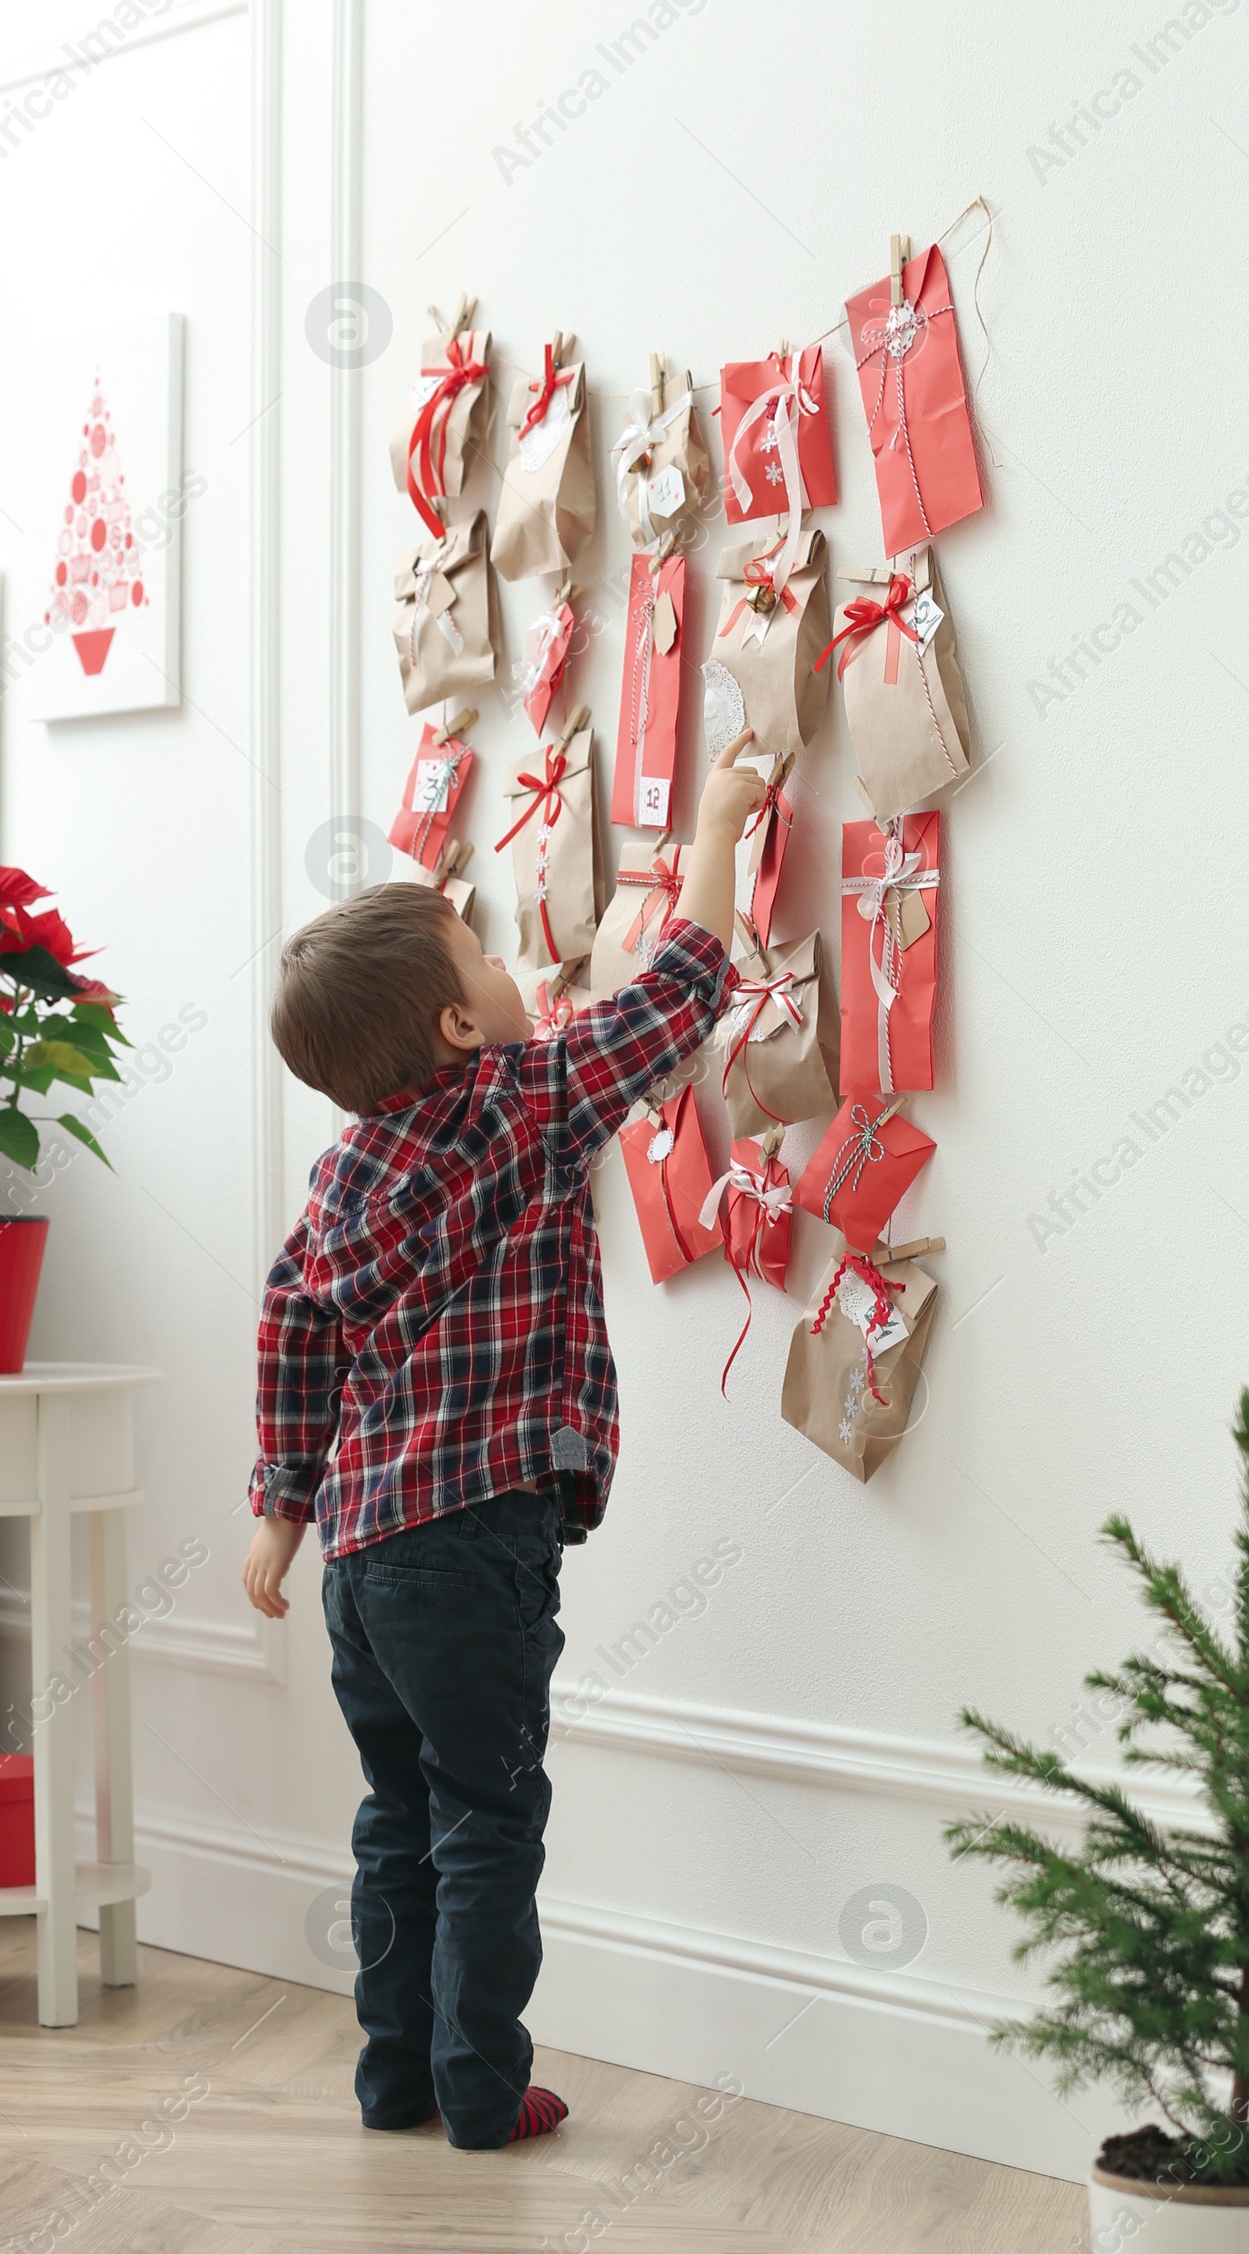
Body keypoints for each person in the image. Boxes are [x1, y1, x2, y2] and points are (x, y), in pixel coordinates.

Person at [240, 730, 762, 2149]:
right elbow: (680, 989)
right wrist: (719, 813)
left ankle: (394, 2076)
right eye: (484, 956)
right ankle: (480, 2091)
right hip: (471, 1551)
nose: (512, 967)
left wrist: (279, 1509)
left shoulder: (346, 1169)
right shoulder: (526, 1103)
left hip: (359, 1558)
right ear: (464, 1029)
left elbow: (294, 1321)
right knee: (488, 1819)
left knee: (399, 1817)